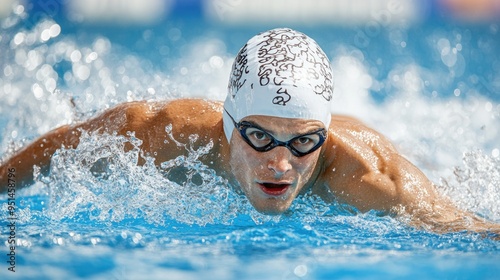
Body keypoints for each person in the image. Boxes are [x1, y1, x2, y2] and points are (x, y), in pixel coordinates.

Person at [1, 28, 498, 235]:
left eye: (303, 142)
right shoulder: (160, 134)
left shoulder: (372, 178)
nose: (280, 164)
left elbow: (470, 229)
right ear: (227, 123)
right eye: (259, 137)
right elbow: (58, 150)